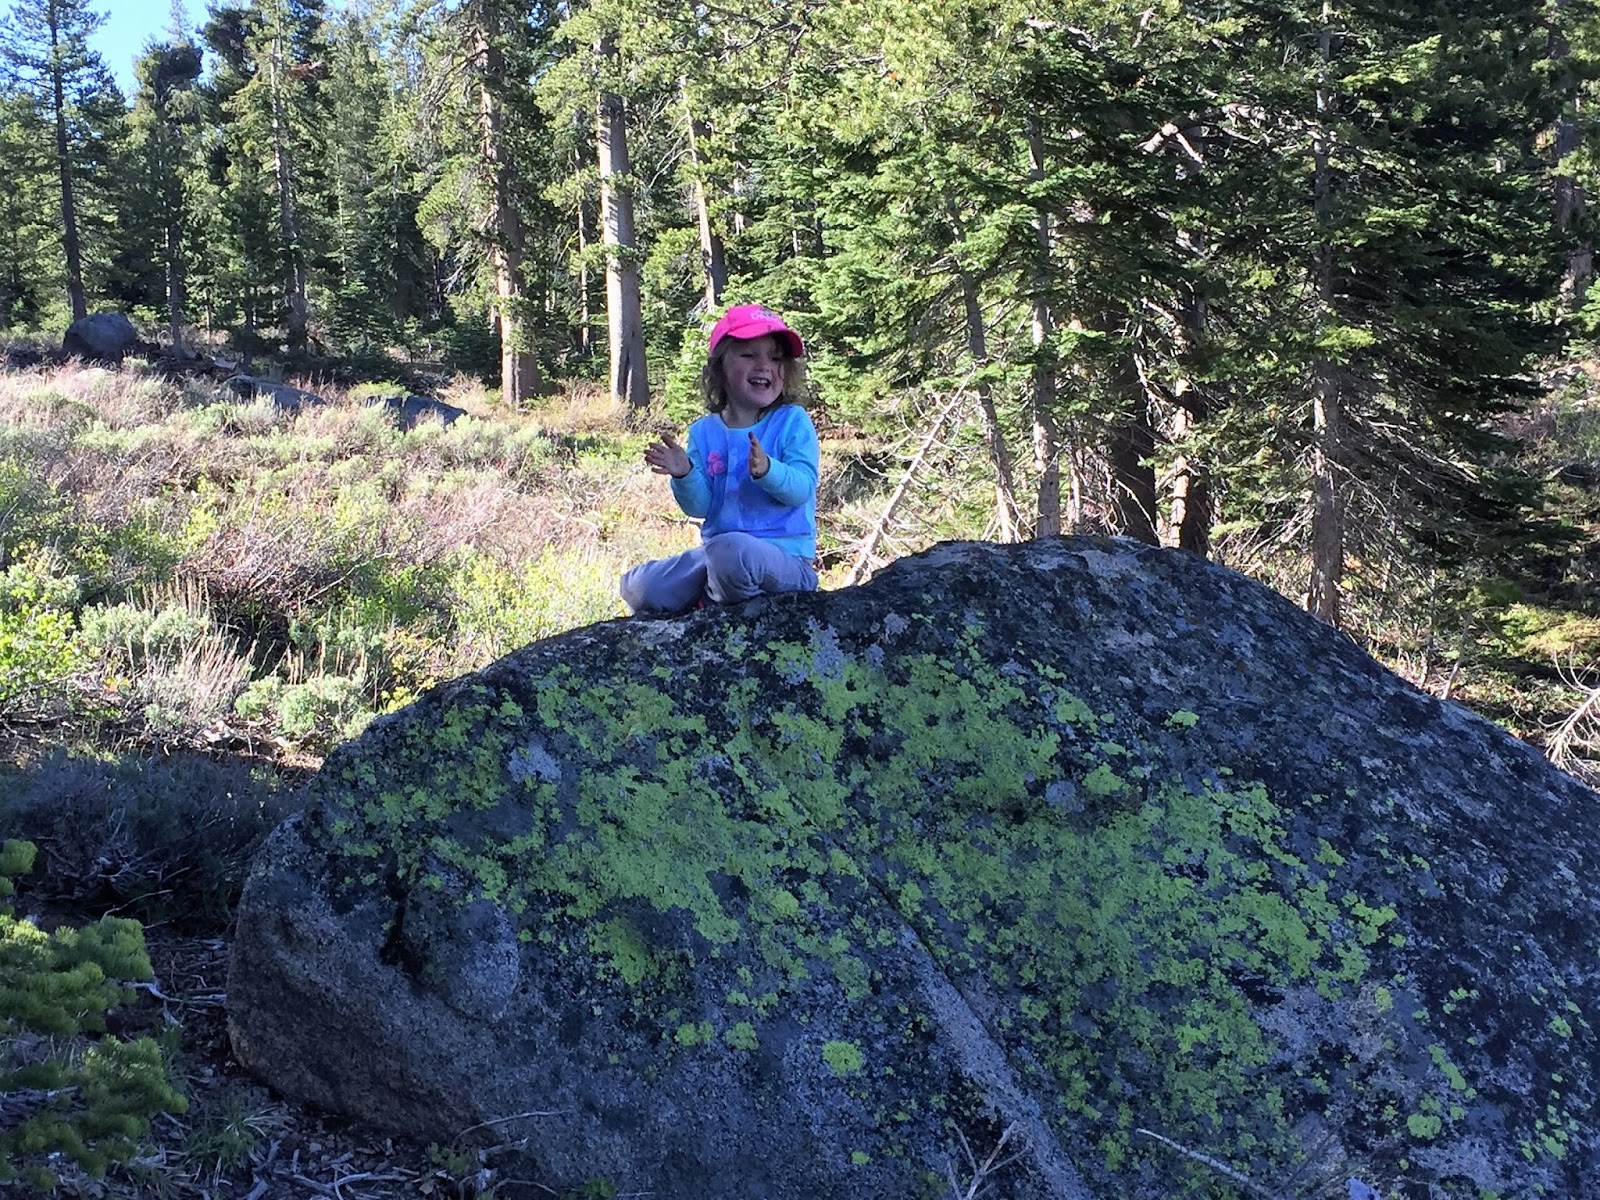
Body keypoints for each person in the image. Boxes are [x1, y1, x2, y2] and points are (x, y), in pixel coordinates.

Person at [621, 304, 820, 615]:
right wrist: (685, 474)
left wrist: (769, 470)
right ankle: (713, 592)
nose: (764, 365)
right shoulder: (704, 431)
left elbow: (803, 489)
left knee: (732, 555)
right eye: (749, 355)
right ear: (720, 367)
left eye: (776, 357)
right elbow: (700, 507)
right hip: (716, 555)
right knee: (639, 585)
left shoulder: (792, 421)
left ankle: (710, 607)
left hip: (786, 562)